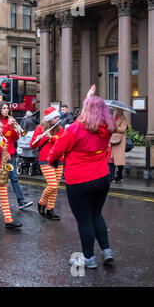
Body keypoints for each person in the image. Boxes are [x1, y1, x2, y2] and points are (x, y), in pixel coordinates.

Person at [48, 85, 116, 269]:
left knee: (84, 219)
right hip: (102, 178)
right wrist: (90, 98)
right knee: (96, 215)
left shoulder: (76, 129)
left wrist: (51, 159)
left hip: (79, 181)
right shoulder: (108, 128)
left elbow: (58, 150)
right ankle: (106, 251)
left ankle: (88, 258)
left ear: (85, 110)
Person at [0, 102, 32, 209]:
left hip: (10, 153)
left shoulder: (10, 121)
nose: (6, 110)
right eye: (3, 108)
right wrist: (8, 125)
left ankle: (21, 201)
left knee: (14, 177)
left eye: (7, 108)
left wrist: (14, 128)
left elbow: (15, 138)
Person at [30, 107, 65, 220]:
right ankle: (42, 202)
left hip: (58, 160)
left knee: (55, 188)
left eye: (58, 117)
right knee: (52, 185)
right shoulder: (40, 129)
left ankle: (50, 210)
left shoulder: (60, 129)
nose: (58, 118)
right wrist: (38, 138)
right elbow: (32, 145)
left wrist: (52, 138)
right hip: (46, 160)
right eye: (55, 117)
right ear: (49, 119)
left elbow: (63, 143)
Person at [108, 108, 128, 183]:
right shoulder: (112, 118)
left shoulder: (123, 119)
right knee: (111, 159)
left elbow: (123, 129)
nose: (113, 110)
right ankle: (112, 177)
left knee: (119, 160)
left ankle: (119, 176)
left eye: (115, 109)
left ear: (119, 110)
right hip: (112, 141)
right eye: (113, 109)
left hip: (119, 141)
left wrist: (114, 126)